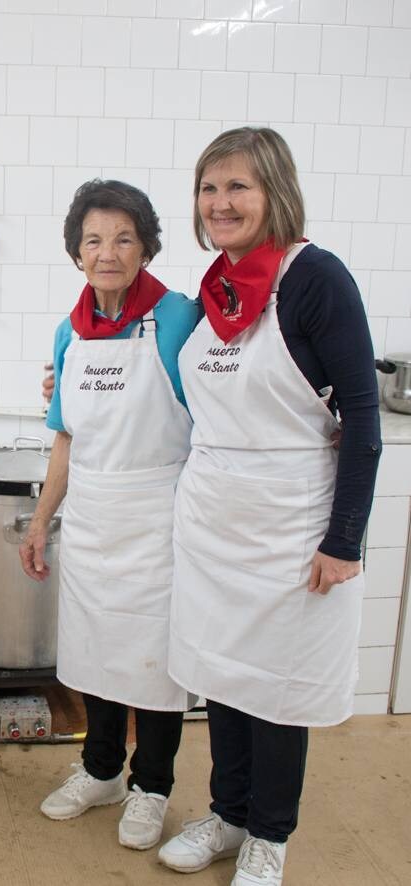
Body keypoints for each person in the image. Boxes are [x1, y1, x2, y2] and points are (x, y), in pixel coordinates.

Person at [157, 128, 381, 886]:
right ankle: (227, 812)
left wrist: (343, 539)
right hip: (217, 517)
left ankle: (270, 836)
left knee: (277, 686)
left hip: (292, 518)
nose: (220, 203)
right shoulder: (217, 283)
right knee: (224, 675)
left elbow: (362, 416)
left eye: (237, 188)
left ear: (274, 191)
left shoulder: (316, 278)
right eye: (209, 187)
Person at [19, 179, 199, 851]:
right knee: (96, 655)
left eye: (124, 238)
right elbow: (67, 436)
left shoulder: (178, 318)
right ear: (76, 253)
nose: (108, 252)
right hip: (92, 518)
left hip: (159, 518)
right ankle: (101, 772)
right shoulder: (70, 331)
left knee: (154, 664)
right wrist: (42, 522)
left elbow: (216, 409)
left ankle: (152, 787)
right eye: (93, 240)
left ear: (147, 247)